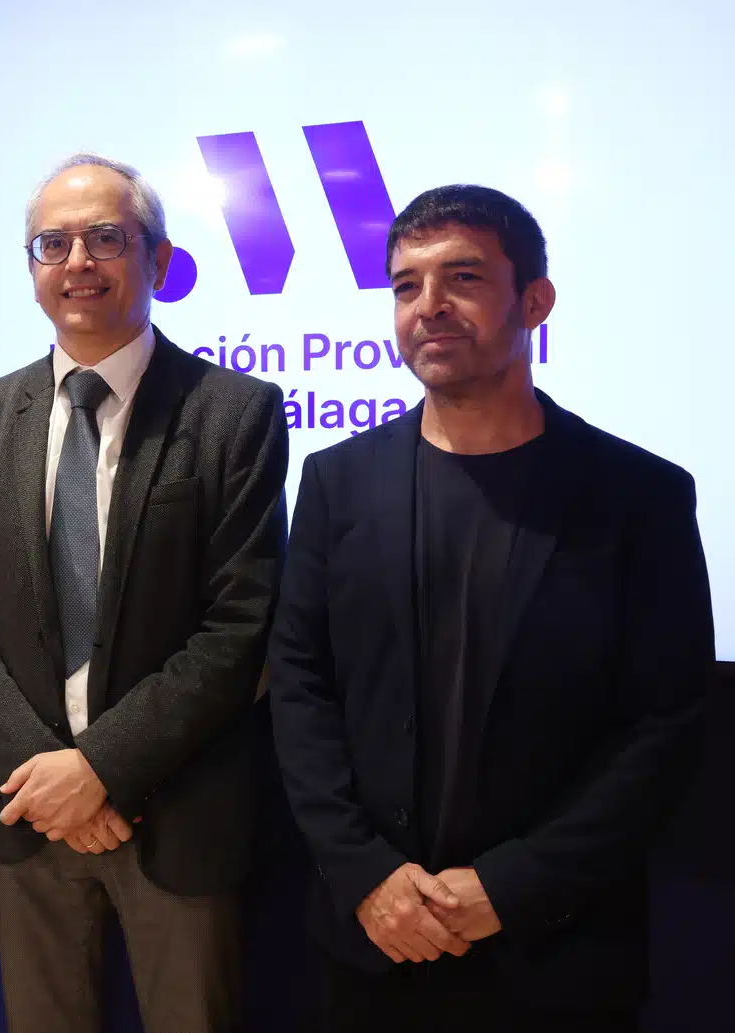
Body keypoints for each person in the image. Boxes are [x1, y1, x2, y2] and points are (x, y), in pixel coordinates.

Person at [267, 184, 716, 1032]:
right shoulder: (336, 481)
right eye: (406, 285)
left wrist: (510, 887)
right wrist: (364, 872)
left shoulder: (639, 495)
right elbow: (300, 685)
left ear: (535, 302)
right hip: (375, 941)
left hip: (559, 952)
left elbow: (665, 724)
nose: (428, 306)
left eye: (463, 277)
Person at [0, 153, 289, 1033]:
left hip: (178, 812)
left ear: (158, 260)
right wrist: (45, 772)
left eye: (104, 238)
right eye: (52, 243)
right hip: (23, 814)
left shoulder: (234, 412)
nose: (77, 262)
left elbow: (240, 626)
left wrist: (100, 770)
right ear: (31, 268)